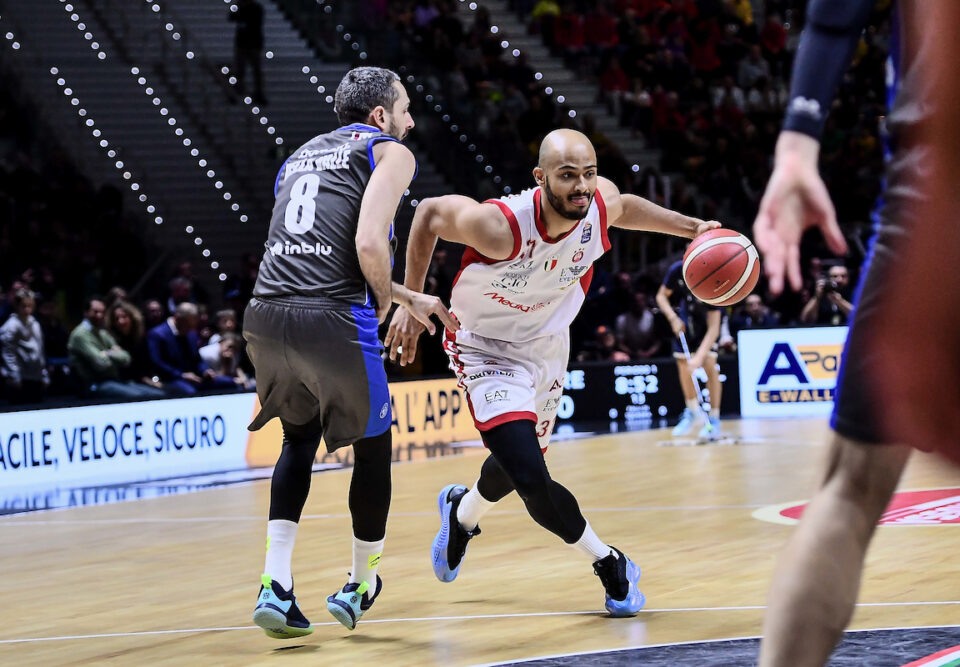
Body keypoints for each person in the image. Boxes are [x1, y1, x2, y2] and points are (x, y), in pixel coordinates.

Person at [750, 1, 960, 665]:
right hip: (943, 179)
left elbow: (836, 13)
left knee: (851, 486)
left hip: (940, 187)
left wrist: (797, 142)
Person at [385, 128, 720, 616]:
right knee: (531, 477)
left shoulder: (597, 205)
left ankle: (461, 513)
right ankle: (610, 563)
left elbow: (624, 205)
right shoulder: (499, 228)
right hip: (485, 351)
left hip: (546, 348)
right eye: (567, 176)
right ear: (540, 178)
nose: (581, 186)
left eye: (588, 174)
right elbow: (429, 213)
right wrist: (412, 302)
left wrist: (695, 229)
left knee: (515, 463)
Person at [243, 66, 457, 639]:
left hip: (266, 313)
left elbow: (322, 248)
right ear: (380, 117)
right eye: (406, 109)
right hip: (333, 316)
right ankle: (364, 580)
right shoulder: (391, 152)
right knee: (374, 443)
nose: (412, 120)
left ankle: (275, 583)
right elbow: (366, 241)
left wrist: (409, 296)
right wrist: (388, 308)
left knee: (297, 438)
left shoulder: (301, 155)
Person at [655, 256, 723, 438]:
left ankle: (714, 418)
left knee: (709, 362)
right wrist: (672, 318)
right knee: (683, 363)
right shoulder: (678, 269)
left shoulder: (715, 280)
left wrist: (699, 358)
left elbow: (714, 328)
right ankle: (693, 412)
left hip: (707, 324)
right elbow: (661, 296)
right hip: (686, 319)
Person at [68, 298, 164, 400]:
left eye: (102, 312)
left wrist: (106, 353)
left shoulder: (102, 333)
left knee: (157, 394)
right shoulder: (80, 335)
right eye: (95, 312)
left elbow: (126, 358)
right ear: (86, 312)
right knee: (139, 397)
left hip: (113, 381)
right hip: (94, 385)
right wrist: (112, 353)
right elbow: (101, 363)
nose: (99, 315)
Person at [147, 302, 233, 395]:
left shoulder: (191, 333)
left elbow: (197, 359)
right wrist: (182, 375)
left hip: (195, 377)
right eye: (188, 324)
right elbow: (157, 363)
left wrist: (205, 370)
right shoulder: (157, 334)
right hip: (171, 379)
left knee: (230, 383)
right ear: (177, 318)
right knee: (190, 392)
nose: (191, 328)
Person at [0, 288, 48, 403]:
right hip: (20, 379)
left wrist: (44, 374)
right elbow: (8, 353)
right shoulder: (11, 326)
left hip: (36, 376)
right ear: (16, 306)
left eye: (30, 305)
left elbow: (40, 350)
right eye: (23, 306)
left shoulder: (35, 323)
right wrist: (14, 375)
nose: (27, 309)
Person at [107, 300, 165, 394]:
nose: (120, 321)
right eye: (116, 318)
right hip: (124, 381)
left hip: (141, 380)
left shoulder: (140, 337)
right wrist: (145, 380)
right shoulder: (111, 339)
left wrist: (153, 380)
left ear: (132, 317)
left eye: (124, 317)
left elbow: (147, 364)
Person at [229, 0, 266, 104]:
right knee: (242, 69)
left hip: (251, 43)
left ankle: (257, 92)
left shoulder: (256, 8)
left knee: (255, 70)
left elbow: (253, 23)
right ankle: (239, 90)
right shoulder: (247, 8)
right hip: (245, 43)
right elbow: (232, 17)